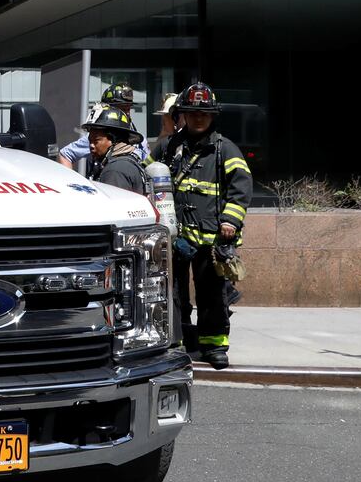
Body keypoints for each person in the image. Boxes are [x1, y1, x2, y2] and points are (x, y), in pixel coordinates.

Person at [160, 82, 251, 369]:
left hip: (212, 240)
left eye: (204, 113)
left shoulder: (226, 149)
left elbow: (241, 187)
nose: (199, 118)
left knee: (212, 295)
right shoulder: (168, 146)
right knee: (171, 294)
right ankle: (177, 342)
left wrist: (230, 220)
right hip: (174, 237)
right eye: (192, 112)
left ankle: (214, 346)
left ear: (213, 116)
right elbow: (147, 176)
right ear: (183, 114)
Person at [58, 84, 145, 169]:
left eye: (128, 108)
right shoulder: (98, 139)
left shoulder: (136, 135)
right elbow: (65, 154)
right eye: (122, 108)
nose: (127, 113)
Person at [81, 107, 149, 194]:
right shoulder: (128, 162)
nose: (91, 145)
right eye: (90, 141)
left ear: (114, 140)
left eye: (96, 140)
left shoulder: (114, 170)